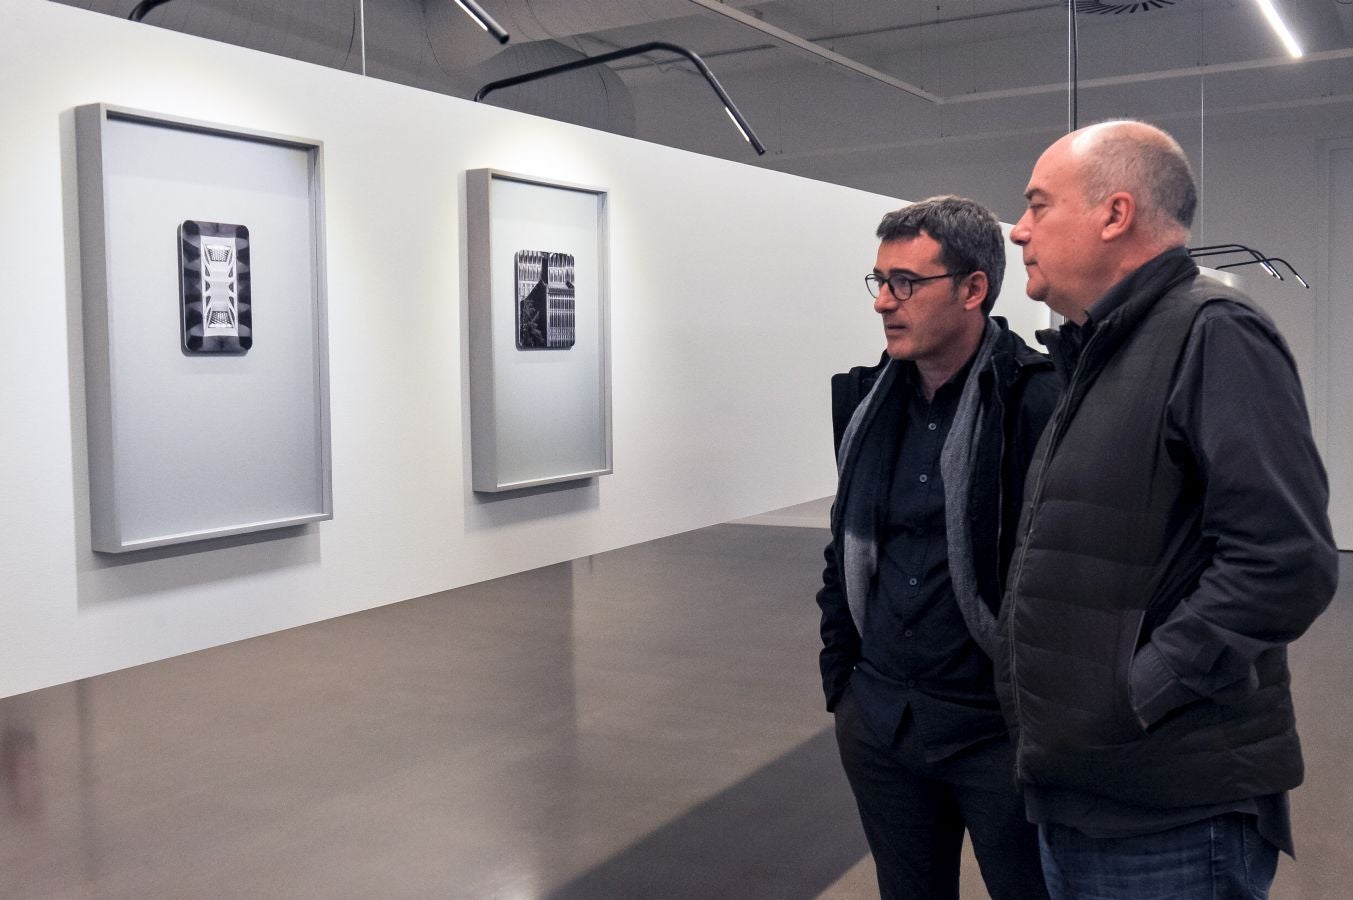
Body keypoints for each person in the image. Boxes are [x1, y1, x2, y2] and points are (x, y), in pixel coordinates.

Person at [999, 120, 1338, 899]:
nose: (1017, 229)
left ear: (1114, 214)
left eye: (1037, 204)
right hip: (1085, 790)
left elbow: (1284, 562)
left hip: (1169, 815)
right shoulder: (1099, 351)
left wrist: (1134, 694)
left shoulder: (1212, 333)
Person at [816, 195, 1058, 899]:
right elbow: (844, 546)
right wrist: (843, 687)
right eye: (879, 281)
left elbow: (1067, 574)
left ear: (972, 288)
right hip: (882, 724)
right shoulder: (867, 404)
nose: (882, 303)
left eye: (905, 283)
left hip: (996, 735)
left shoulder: (1036, 400)